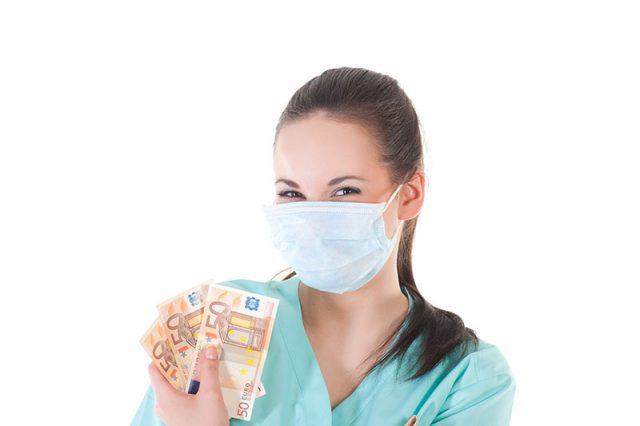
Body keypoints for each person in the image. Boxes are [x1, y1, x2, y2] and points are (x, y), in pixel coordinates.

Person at [130, 67, 516, 425]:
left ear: (410, 194)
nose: (312, 221)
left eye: (345, 191)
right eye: (292, 193)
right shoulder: (219, 325)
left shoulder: (467, 378)